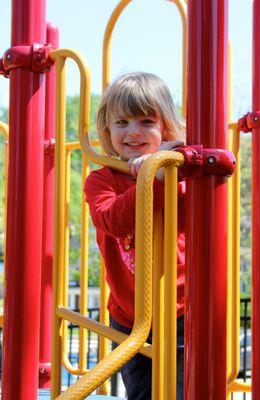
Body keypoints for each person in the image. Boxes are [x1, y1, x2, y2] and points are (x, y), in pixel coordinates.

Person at [84, 72, 186, 400]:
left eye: (146, 121)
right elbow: (112, 221)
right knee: (142, 393)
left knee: (182, 390)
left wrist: (164, 165)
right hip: (130, 315)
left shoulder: (180, 172)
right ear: (107, 129)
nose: (133, 132)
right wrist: (149, 178)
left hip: (182, 309)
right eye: (122, 122)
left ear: (166, 127)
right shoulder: (101, 180)